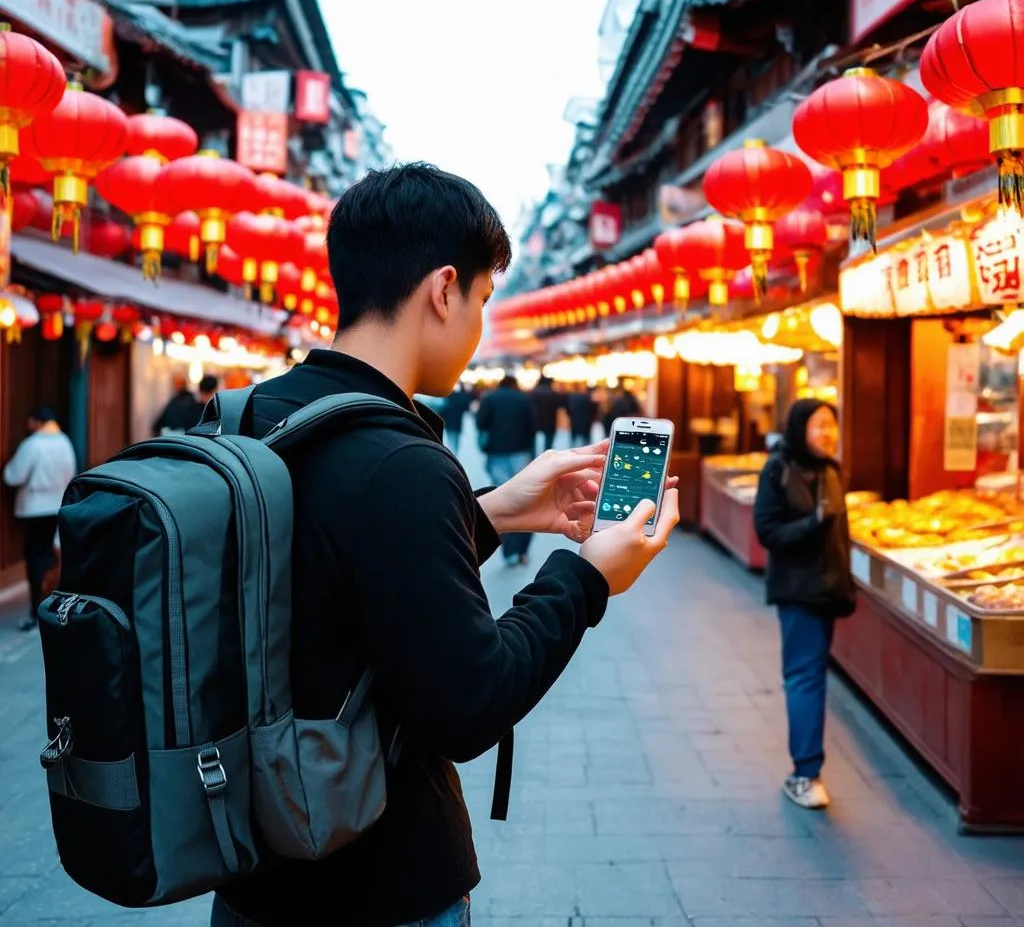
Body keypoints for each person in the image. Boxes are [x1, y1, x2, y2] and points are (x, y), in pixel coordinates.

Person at [212, 163, 679, 927]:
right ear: (443, 289)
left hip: (250, 873)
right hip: (377, 877)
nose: (479, 326)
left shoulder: (254, 414)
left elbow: (341, 578)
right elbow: (469, 706)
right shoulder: (402, 460)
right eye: (485, 300)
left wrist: (493, 510)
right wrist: (588, 577)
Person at [752, 399, 855, 811]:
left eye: (832, 425)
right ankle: (805, 774)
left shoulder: (831, 469)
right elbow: (767, 531)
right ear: (799, 428)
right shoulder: (778, 468)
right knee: (805, 677)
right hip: (798, 590)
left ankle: (807, 770)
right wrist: (813, 523)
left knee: (811, 675)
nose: (827, 433)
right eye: (819, 426)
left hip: (829, 587)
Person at [2, 405, 77, 631]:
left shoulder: (32, 444)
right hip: (56, 505)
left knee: (34, 556)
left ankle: (36, 609)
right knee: (48, 552)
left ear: (36, 422)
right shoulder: (64, 442)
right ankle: (52, 604)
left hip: (34, 508)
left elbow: (13, 476)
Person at [476, 373, 537, 568]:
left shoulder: (490, 398)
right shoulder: (523, 399)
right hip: (520, 453)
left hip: (497, 453)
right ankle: (521, 550)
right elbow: (531, 427)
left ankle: (506, 548)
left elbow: (480, 423)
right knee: (527, 501)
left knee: (505, 499)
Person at [531, 375, 563, 451]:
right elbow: (559, 404)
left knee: (533, 441)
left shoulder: (534, 392)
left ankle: (534, 457)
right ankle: (547, 454)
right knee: (548, 442)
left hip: (535, 420)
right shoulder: (552, 392)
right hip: (549, 420)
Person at [440, 383, 474, 455]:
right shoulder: (460, 396)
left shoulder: (449, 397)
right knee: (454, 439)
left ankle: (452, 454)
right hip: (455, 422)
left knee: (452, 439)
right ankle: (453, 454)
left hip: (450, 422)